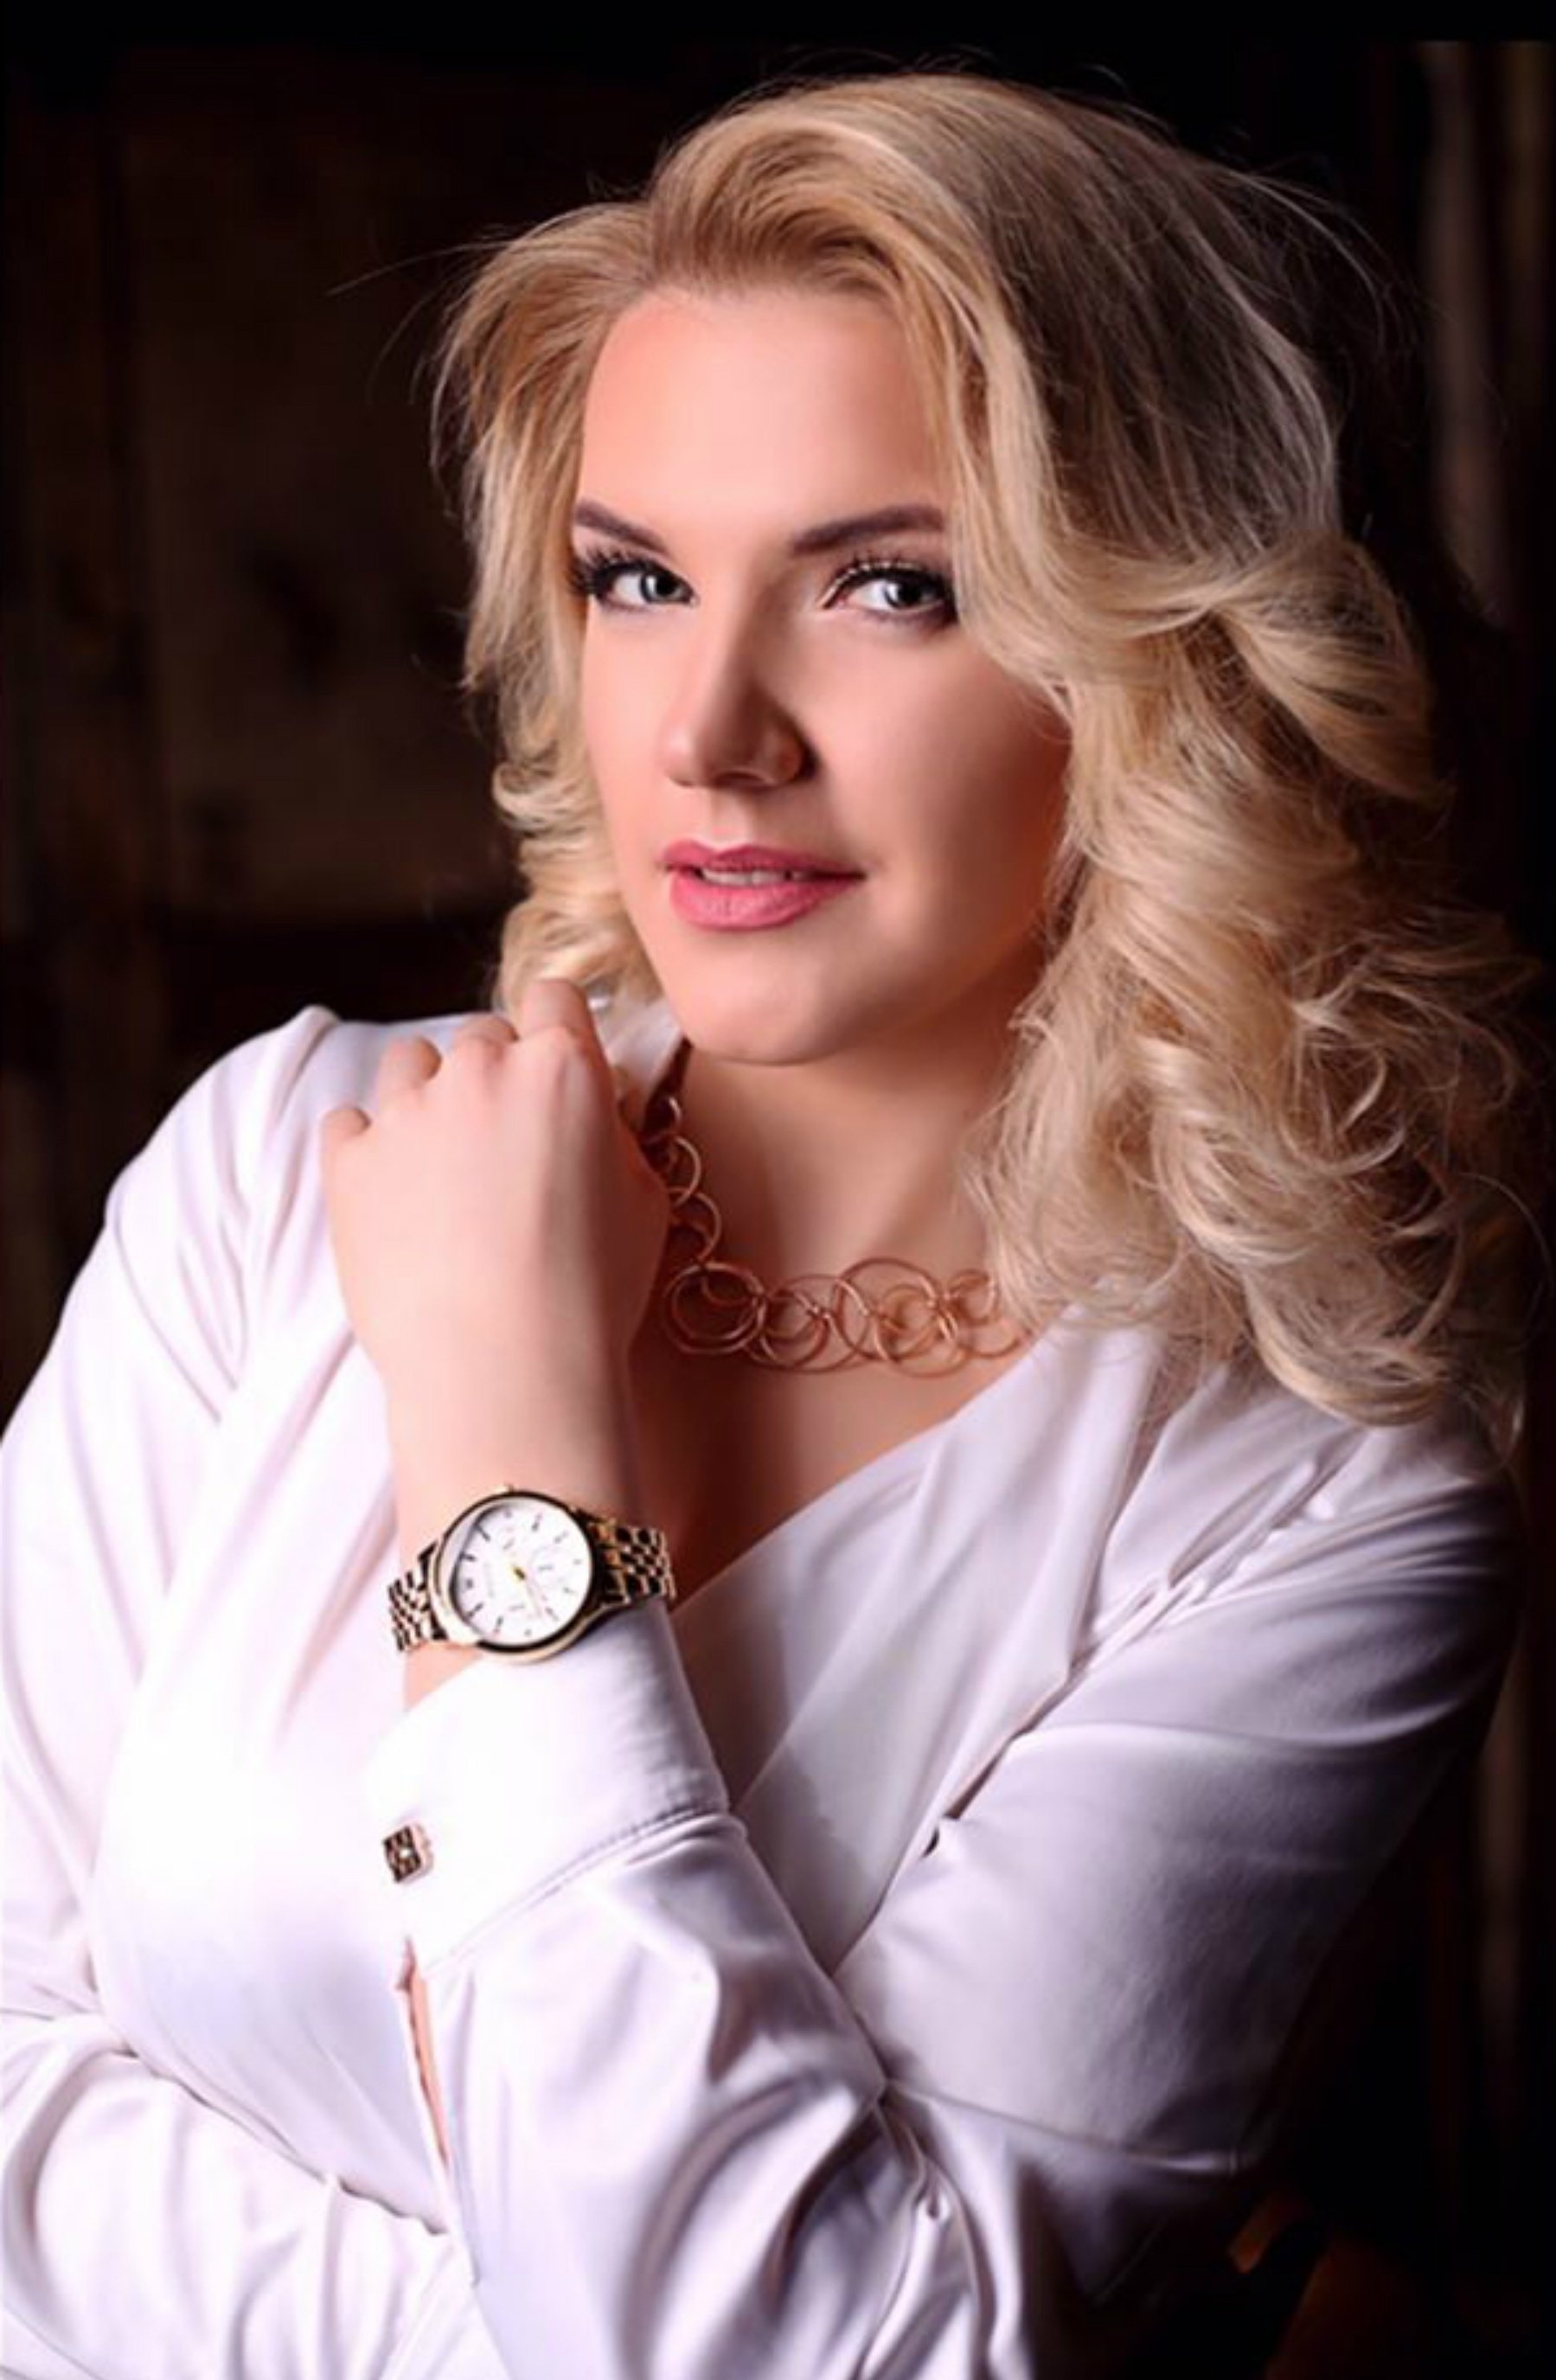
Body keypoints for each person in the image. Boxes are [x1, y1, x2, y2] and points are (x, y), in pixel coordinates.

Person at [1, 63, 1543, 2380]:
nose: (709, 730)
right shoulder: (279, 1166)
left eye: (888, 587)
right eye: (637, 579)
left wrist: (511, 1450)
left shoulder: (1310, 1508)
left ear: (1163, 658)